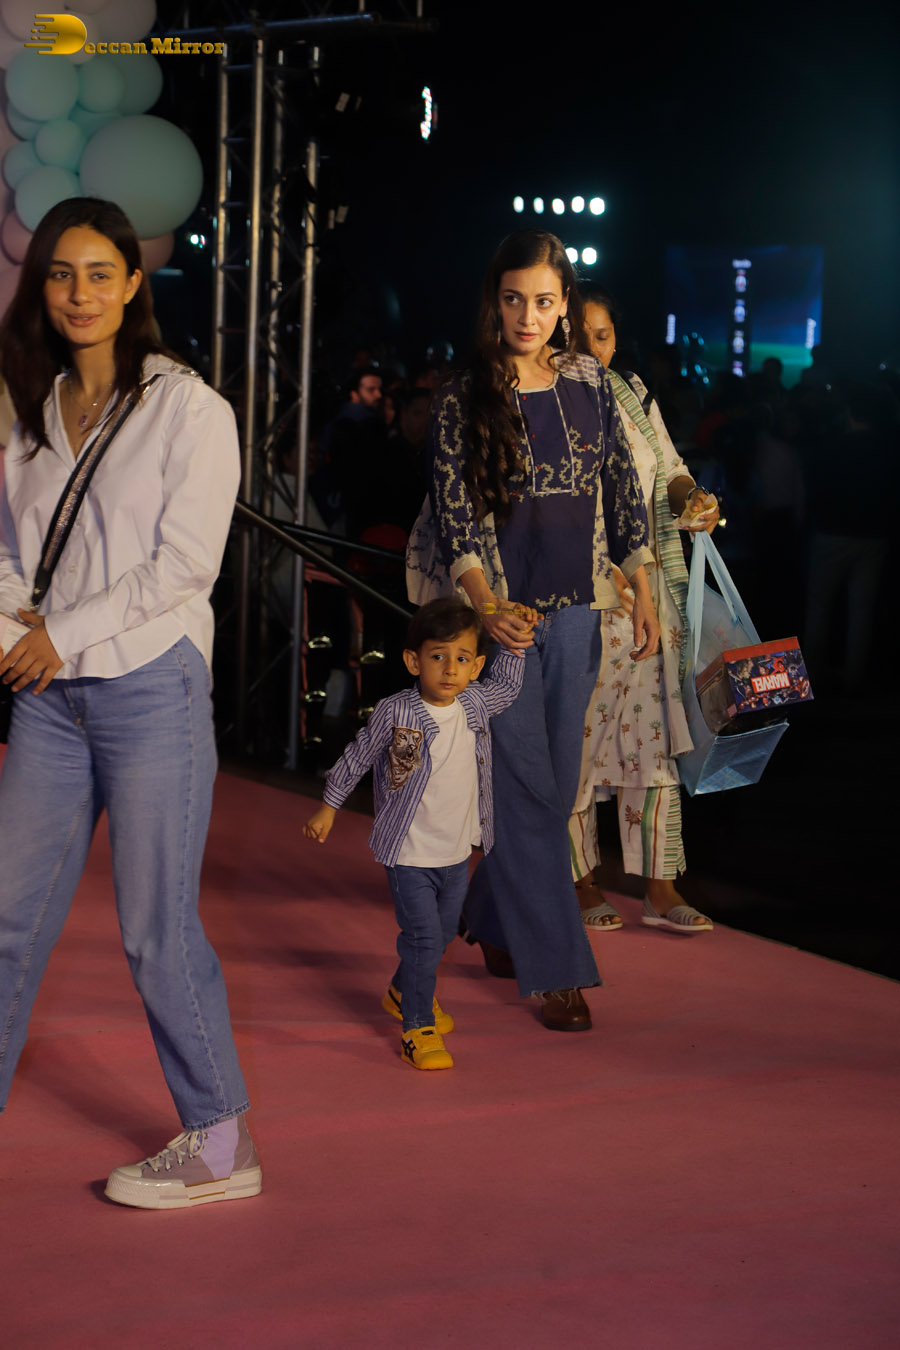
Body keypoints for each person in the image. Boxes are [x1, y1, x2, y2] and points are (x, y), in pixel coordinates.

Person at [0, 197, 260, 1209]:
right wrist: (16, 631)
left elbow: (184, 567)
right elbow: (10, 552)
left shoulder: (187, 409)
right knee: (7, 915)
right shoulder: (28, 411)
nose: (79, 294)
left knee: (157, 928)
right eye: (61, 274)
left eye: (99, 273)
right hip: (48, 697)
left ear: (134, 284)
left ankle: (221, 1143)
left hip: (151, 686)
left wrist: (59, 631)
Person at [422, 230, 660, 1031]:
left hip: (582, 614)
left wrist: (643, 586)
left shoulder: (591, 382)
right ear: (495, 303)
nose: (528, 315)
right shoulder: (462, 395)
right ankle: (557, 969)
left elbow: (623, 492)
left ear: (565, 307)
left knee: (552, 788)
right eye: (514, 299)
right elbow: (455, 514)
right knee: (525, 788)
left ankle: (490, 915)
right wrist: (487, 606)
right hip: (503, 626)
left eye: (545, 301)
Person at [304, 596, 524, 1069]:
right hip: (409, 852)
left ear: (476, 666)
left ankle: (402, 989)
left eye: (462, 658)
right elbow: (358, 756)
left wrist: (516, 641)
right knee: (424, 938)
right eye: (438, 656)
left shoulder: (474, 703)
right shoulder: (396, 712)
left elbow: (507, 685)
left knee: (441, 935)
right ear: (413, 660)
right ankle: (417, 1026)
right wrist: (329, 807)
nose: (450, 669)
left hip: (455, 853)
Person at [570, 288, 719, 932]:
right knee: (577, 744)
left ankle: (660, 887)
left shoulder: (631, 393)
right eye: (576, 335)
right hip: (584, 597)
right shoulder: (543, 401)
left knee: (655, 743)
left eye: (601, 336)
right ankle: (579, 882)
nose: (590, 349)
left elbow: (671, 469)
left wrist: (694, 498)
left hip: (649, 596)